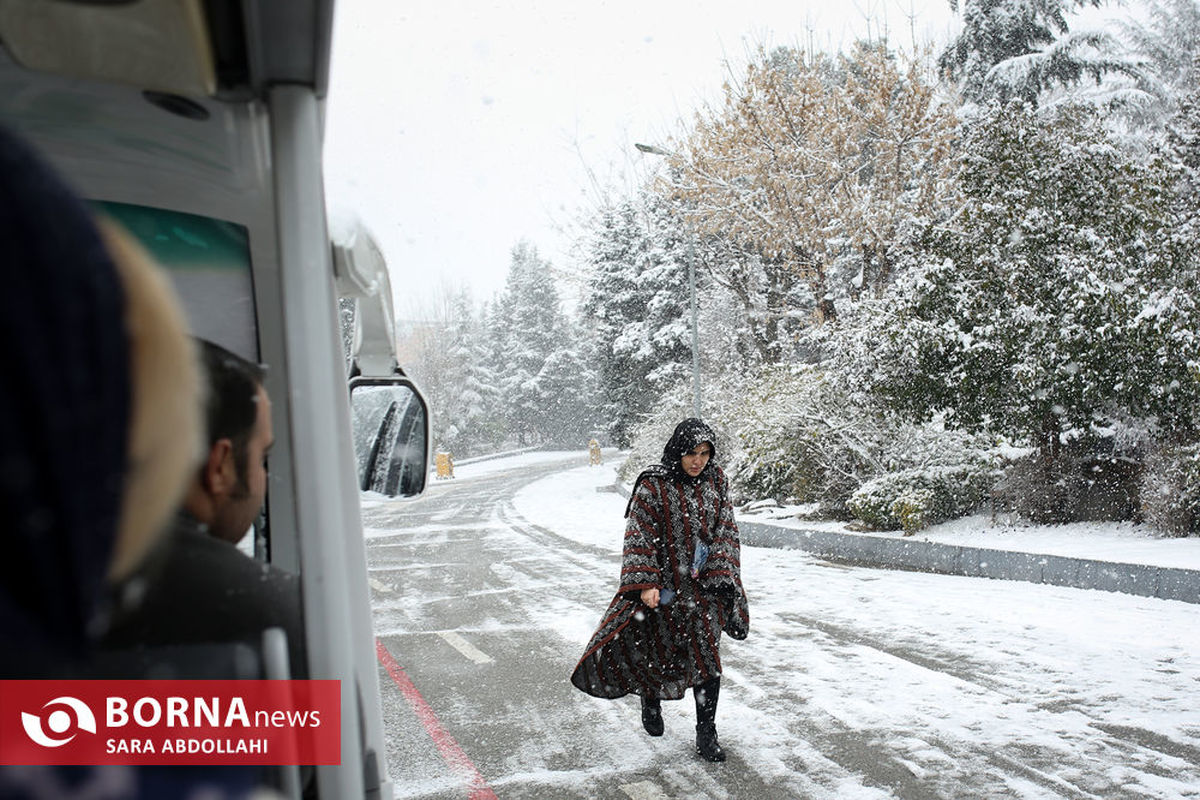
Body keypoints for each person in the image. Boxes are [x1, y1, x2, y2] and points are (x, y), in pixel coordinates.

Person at [105, 339, 306, 677]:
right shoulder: (274, 612)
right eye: (263, 458)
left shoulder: (39, 588)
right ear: (220, 467)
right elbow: (334, 727)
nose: (264, 479)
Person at [571, 418, 750, 762]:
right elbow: (639, 536)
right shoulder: (654, 485)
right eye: (691, 454)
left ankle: (706, 732)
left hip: (704, 591)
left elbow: (727, 528)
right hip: (665, 589)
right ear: (676, 452)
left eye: (704, 453)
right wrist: (646, 583)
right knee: (658, 649)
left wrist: (720, 572)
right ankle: (649, 700)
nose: (698, 461)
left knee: (706, 660)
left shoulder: (717, 480)